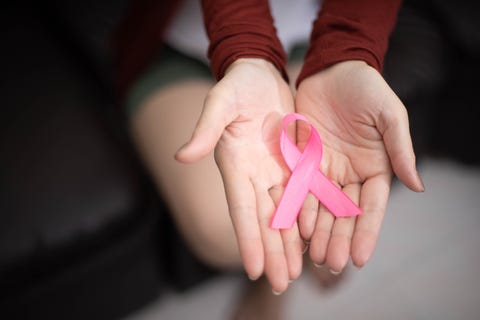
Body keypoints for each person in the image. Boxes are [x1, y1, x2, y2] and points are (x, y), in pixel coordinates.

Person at [112, 0, 425, 297]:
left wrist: (350, 52)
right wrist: (247, 53)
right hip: (177, 43)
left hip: (319, 38)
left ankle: (291, 266)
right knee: (222, 227)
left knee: (308, 206)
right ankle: (273, 280)